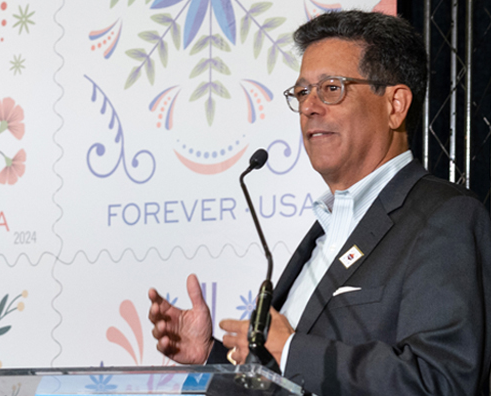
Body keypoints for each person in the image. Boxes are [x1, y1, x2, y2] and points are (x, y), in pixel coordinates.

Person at [148, 10, 491, 396]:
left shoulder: (444, 218)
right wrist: (211, 355)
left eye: (332, 88)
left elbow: (441, 381)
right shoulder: (326, 230)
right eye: (302, 92)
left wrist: (292, 349)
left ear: (395, 104)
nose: (310, 106)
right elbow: (282, 380)